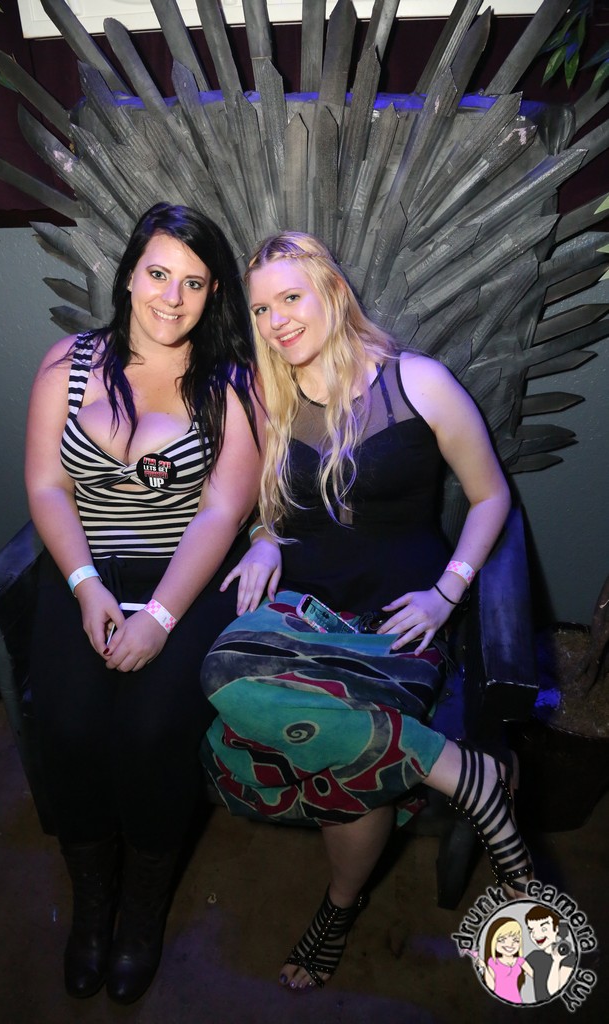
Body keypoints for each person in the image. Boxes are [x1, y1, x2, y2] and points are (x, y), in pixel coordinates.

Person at [200, 231, 534, 991]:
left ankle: (337, 909)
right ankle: (463, 774)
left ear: (332, 291)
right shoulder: (268, 395)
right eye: (262, 309)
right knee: (221, 667)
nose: (277, 321)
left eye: (291, 297)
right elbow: (257, 501)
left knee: (346, 771)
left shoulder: (419, 382)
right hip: (303, 612)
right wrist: (261, 538)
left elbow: (490, 497)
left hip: (398, 621)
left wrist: (448, 591)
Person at [25, 203, 263, 1004]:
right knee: (66, 724)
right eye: (158, 274)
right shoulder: (68, 364)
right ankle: (93, 905)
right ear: (129, 274)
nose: (172, 297)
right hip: (84, 570)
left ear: (213, 293)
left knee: (150, 730)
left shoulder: (229, 385)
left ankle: (141, 913)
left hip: (181, 579)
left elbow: (222, 513)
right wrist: (84, 585)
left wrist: (159, 618)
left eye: (193, 283)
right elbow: (46, 486)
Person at [475, 917, 533, 1003]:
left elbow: (536, 976)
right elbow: (492, 987)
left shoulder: (520, 961)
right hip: (497, 1001)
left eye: (516, 940)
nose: (510, 944)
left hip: (516, 1001)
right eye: (502, 940)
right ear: (493, 941)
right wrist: (484, 967)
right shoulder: (493, 962)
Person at [525, 906, 576, 1001]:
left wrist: (556, 961)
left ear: (556, 929)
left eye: (543, 929)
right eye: (531, 930)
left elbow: (553, 991)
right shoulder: (534, 956)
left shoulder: (569, 957)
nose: (536, 935)